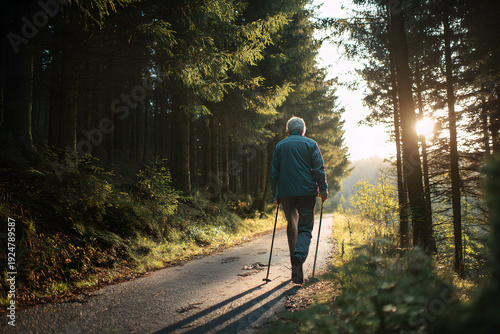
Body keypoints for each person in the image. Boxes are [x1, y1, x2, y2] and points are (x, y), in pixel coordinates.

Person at [270, 116, 328, 284]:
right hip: (307, 191)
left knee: (292, 228)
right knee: (305, 229)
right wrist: (323, 189)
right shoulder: (310, 144)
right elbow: (318, 168)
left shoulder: (280, 146)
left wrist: (276, 194)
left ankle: (296, 272)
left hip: (286, 193)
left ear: (288, 130)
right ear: (303, 130)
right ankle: (300, 256)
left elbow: (274, 172)